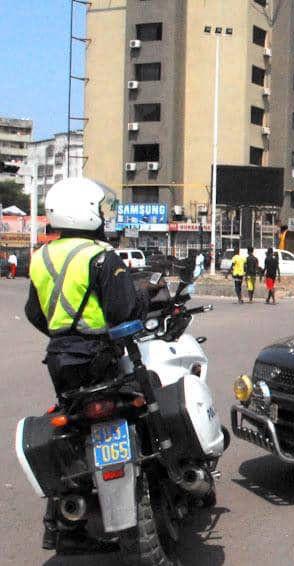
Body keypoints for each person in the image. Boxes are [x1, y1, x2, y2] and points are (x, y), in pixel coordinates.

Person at [24, 178, 146, 550]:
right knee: (137, 408)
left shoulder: (41, 257)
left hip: (60, 358)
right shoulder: (100, 256)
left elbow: (34, 312)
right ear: (87, 212)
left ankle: (58, 521)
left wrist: (63, 333)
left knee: (73, 425)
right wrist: (143, 302)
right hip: (100, 355)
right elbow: (122, 310)